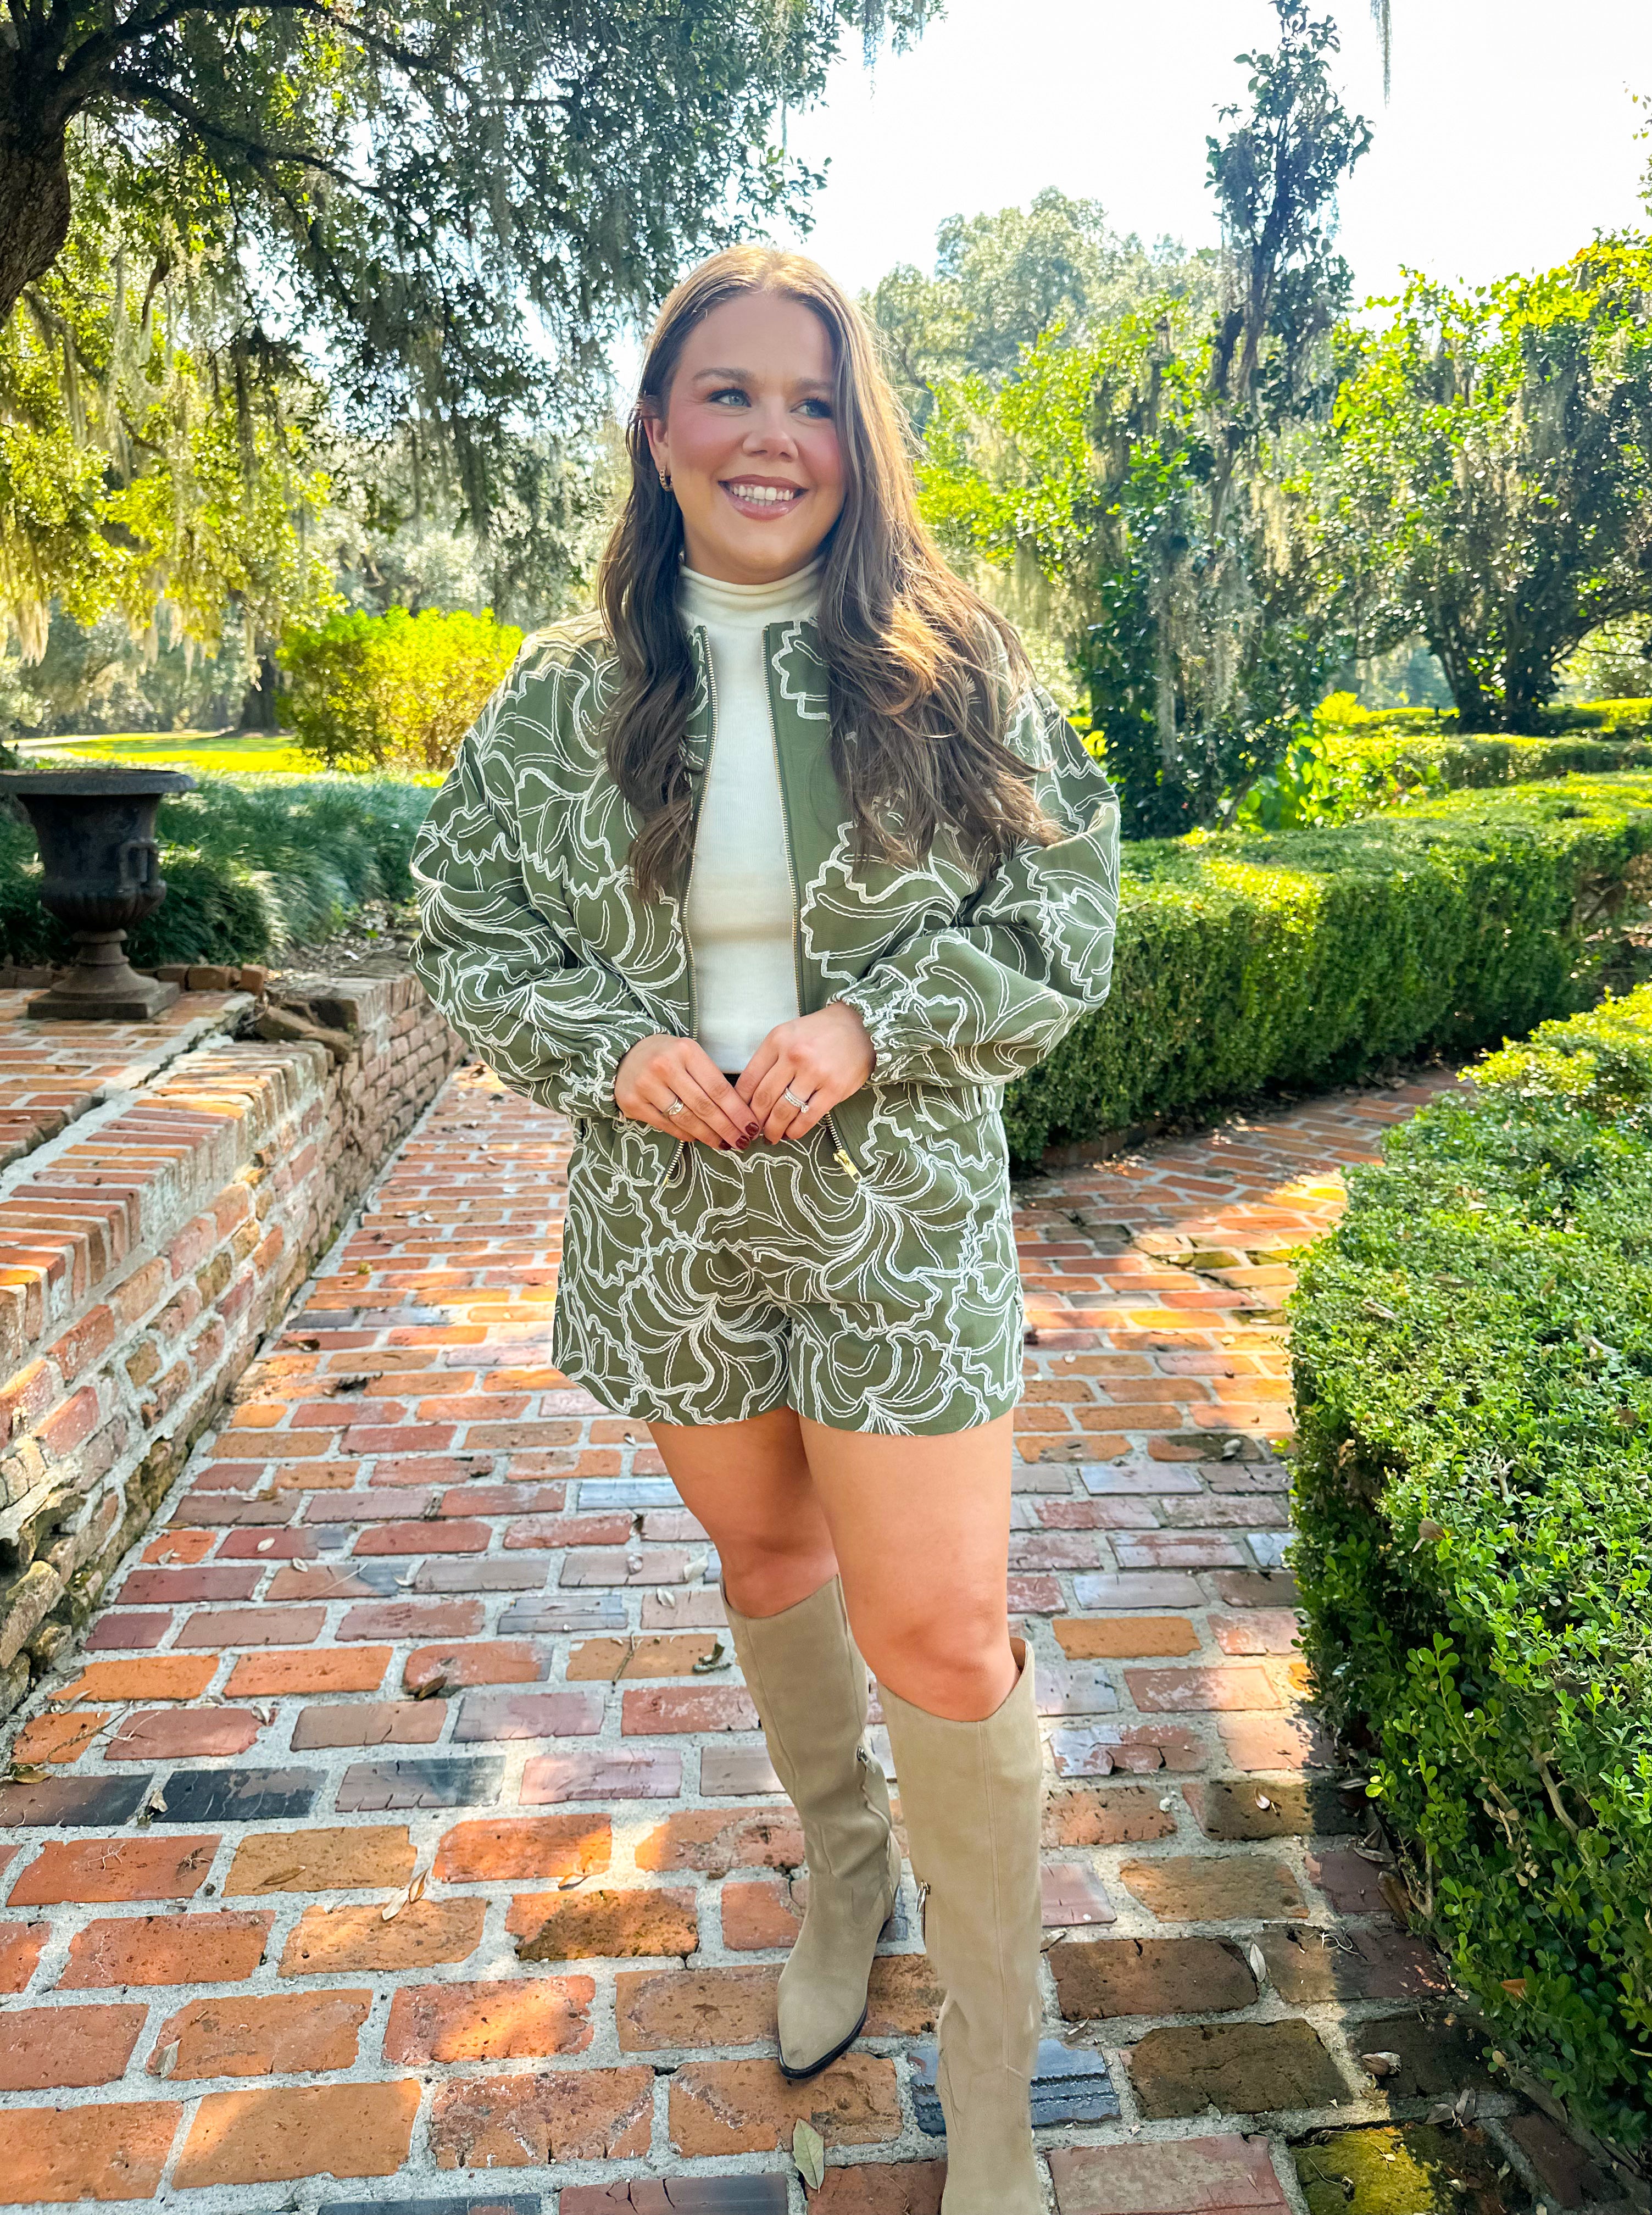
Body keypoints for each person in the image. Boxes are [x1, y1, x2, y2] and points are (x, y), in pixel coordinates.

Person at [410, 243, 1120, 2212]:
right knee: (769, 1555)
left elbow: (1067, 918)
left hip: (897, 1217)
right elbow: (464, 930)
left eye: (813, 402)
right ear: (658, 429)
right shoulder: (561, 699)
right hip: (672, 1220)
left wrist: (874, 1024)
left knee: (945, 1633)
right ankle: (846, 1868)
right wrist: (608, 1049)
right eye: (728, 393)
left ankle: (993, 2074)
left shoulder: (952, 670)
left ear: (855, 439)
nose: (771, 437)